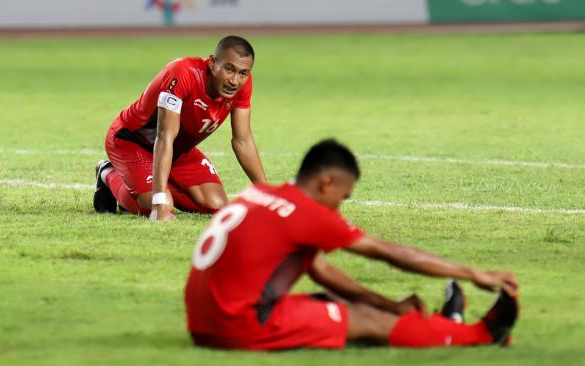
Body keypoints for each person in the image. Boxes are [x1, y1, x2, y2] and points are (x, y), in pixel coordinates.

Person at [184, 139, 519, 350]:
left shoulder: (262, 193)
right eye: (342, 197)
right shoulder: (308, 213)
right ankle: (484, 335)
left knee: (331, 303)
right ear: (326, 181)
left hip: (203, 321)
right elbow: (392, 254)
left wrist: (390, 303)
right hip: (239, 327)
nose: (339, 206)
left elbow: (319, 271)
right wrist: (474, 273)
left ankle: (447, 323)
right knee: (367, 321)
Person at [94, 35, 267, 220]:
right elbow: (165, 135)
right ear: (213, 62)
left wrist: (268, 195)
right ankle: (108, 172)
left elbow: (242, 140)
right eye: (229, 69)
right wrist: (159, 204)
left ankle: (149, 182)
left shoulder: (242, 86)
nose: (234, 81)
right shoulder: (182, 73)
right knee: (156, 205)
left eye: (243, 73)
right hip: (130, 141)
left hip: (177, 150)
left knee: (216, 205)